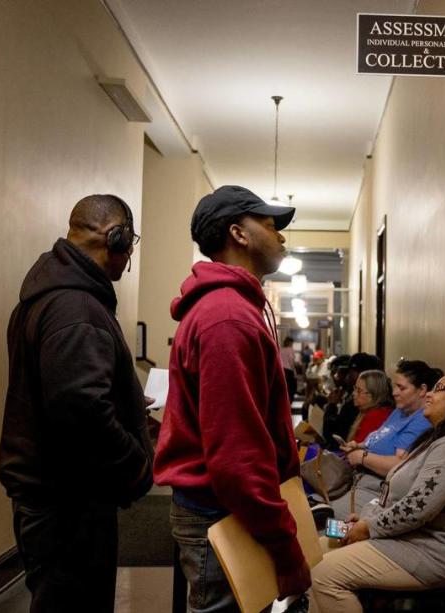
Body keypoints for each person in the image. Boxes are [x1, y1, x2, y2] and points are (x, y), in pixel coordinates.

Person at [153, 185, 311, 612]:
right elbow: (236, 455)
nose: (280, 235)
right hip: (221, 512)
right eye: (269, 223)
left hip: (225, 507)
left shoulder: (235, 308)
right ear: (239, 234)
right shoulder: (226, 318)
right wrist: (285, 545)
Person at [0, 194, 153, 613]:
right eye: (130, 244)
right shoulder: (76, 308)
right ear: (115, 239)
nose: (129, 257)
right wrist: (136, 466)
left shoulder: (54, 298)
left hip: (56, 498)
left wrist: (127, 404)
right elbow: (81, 409)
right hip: (69, 504)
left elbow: (70, 390)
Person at [309, 370, 445, 613]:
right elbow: (395, 493)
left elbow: (416, 508)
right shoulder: (437, 437)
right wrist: (366, 518)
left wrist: (368, 527)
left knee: (324, 574)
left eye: (439, 389)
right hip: (403, 539)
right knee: (313, 554)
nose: (430, 395)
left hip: (427, 553)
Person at [333, 359, 439, 519]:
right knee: (310, 503)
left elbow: (399, 465)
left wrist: (361, 456)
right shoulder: (400, 411)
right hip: (358, 480)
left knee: (323, 520)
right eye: (394, 386)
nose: (394, 392)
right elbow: (378, 439)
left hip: (377, 489)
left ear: (422, 390)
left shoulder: (421, 420)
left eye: (401, 388)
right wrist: (358, 446)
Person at [322, 353, 381, 450]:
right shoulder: (348, 396)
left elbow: (332, 437)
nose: (346, 378)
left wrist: (331, 405)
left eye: (349, 373)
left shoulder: (356, 406)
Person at [347, 369, 394, 444]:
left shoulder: (376, 416)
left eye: (359, 391)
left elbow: (356, 451)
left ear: (374, 394)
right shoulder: (370, 411)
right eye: (355, 388)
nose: (353, 393)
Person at [281, 335, 298, 403]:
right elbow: (291, 361)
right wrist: (294, 371)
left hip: (282, 370)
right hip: (288, 370)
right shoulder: (290, 350)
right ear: (290, 343)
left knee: (284, 388)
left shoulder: (281, 349)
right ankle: (289, 402)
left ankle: (284, 402)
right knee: (291, 388)